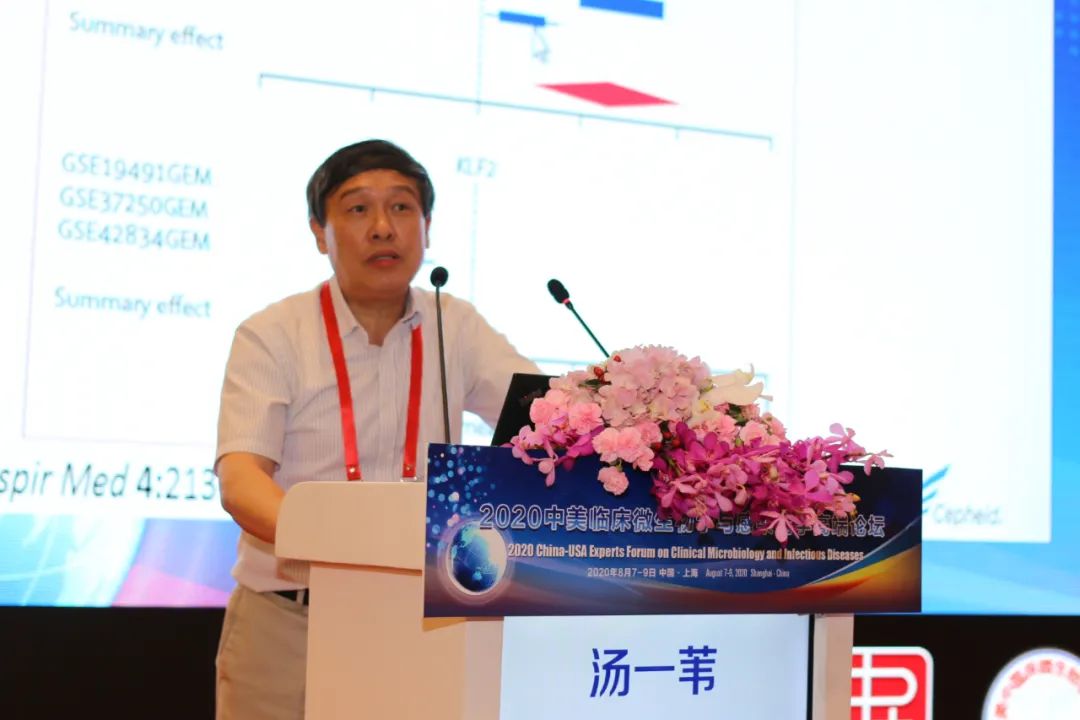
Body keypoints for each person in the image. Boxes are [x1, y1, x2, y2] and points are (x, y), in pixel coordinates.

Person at [213, 139, 539, 720]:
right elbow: (242, 481)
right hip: (291, 618)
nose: (383, 227)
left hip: (418, 617)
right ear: (320, 232)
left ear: (427, 227)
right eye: (358, 208)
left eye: (402, 207)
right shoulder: (272, 333)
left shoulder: (455, 324)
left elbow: (543, 420)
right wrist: (344, 544)